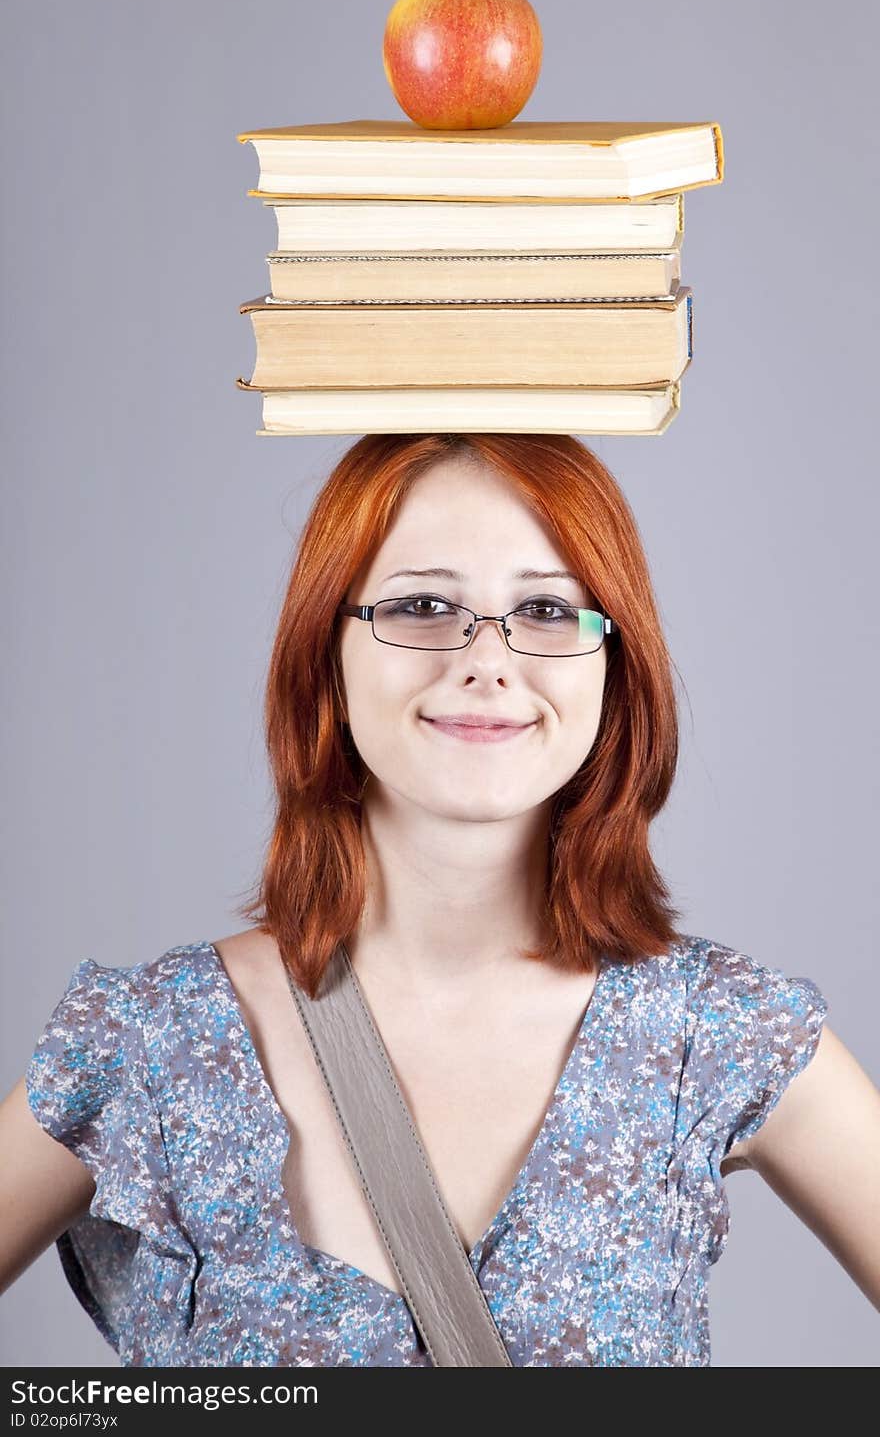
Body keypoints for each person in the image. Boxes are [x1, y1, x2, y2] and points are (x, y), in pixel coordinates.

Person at [1, 432, 878, 1368]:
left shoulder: (717, 1031)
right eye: (424, 605)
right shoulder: (148, 1039)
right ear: (323, 652)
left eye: (545, 608)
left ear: (614, 665)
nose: (487, 661)